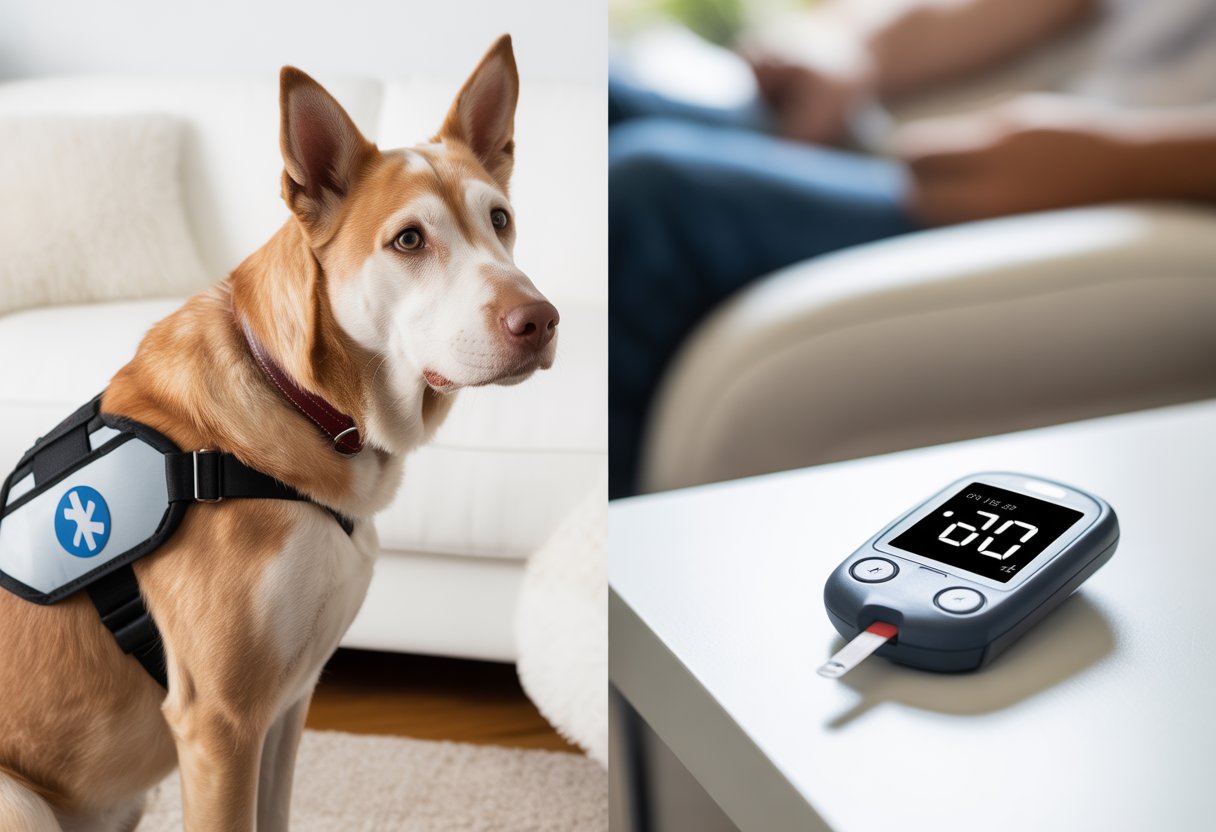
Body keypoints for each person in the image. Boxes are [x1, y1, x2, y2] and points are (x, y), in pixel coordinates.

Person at [609, 0, 1216, 498]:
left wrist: (1121, 161)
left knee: (648, 193)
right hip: (923, 133)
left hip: (1069, 185)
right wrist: (850, 51)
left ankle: (589, 566)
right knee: (602, 91)